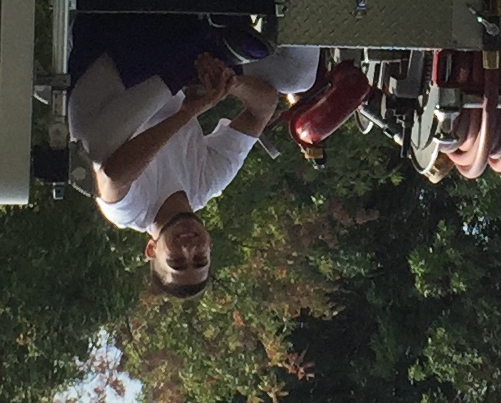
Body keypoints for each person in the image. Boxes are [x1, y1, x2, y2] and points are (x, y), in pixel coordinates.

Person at [75, 43, 319, 296]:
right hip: (173, 64)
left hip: (112, 71)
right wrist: (228, 82)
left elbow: (112, 176)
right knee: (298, 75)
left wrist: (189, 111)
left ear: (151, 250)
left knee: (97, 151)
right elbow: (263, 109)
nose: (189, 249)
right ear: (210, 245)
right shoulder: (207, 183)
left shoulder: (129, 212)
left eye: (176, 262)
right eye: (200, 259)